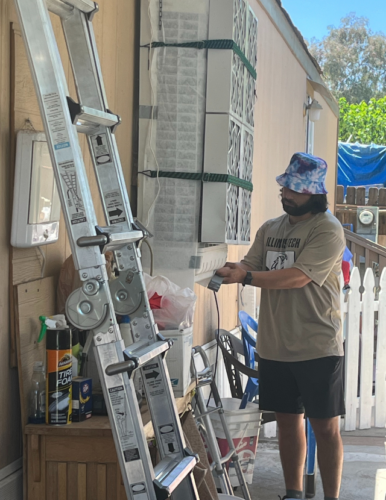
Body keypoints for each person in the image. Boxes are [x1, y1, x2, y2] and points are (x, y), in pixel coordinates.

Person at [216, 153, 346, 500]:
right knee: (288, 422)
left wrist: (247, 276)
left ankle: (330, 497)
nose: (287, 194)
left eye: (296, 190)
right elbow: (251, 265)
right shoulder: (270, 228)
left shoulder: (327, 230)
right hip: (275, 346)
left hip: (317, 346)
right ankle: (294, 494)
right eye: (285, 187)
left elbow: (297, 277)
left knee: (325, 427)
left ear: (314, 194)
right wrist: (230, 271)